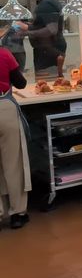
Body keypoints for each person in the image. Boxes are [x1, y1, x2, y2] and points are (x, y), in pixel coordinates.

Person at [0, 24, 29, 230]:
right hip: (4, 109)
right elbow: (21, 84)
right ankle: (18, 213)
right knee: (13, 163)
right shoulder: (5, 54)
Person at [25, 0, 66, 77]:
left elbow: (51, 30)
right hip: (48, 50)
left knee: (48, 84)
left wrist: (27, 31)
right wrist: (32, 26)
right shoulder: (49, 1)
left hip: (48, 51)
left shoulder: (46, 4)